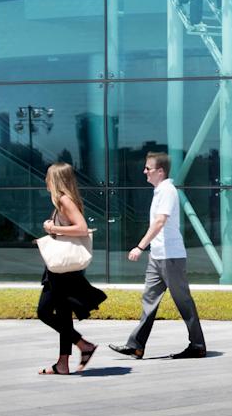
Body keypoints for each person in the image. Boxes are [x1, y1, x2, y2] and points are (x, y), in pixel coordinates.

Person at [111, 152, 206, 360]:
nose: (144, 171)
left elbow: (160, 222)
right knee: (149, 300)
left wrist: (140, 246)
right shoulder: (159, 191)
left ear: (160, 171)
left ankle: (198, 346)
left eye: (148, 168)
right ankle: (135, 346)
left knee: (183, 302)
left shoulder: (168, 191)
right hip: (158, 256)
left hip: (171, 257)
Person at [36, 162, 105, 375]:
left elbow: (82, 228)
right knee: (63, 313)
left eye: (48, 177)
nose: (46, 181)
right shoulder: (61, 201)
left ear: (55, 179)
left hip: (63, 270)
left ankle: (83, 345)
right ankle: (63, 363)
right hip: (61, 269)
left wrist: (52, 227)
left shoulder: (64, 200)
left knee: (44, 311)